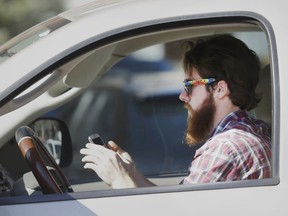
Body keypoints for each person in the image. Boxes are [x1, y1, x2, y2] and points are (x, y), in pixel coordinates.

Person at [80, 34, 271, 188]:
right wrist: (131, 174)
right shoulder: (254, 130)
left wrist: (119, 179)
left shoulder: (224, 149)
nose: (182, 95)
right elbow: (176, 206)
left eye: (189, 85)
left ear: (220, 89)